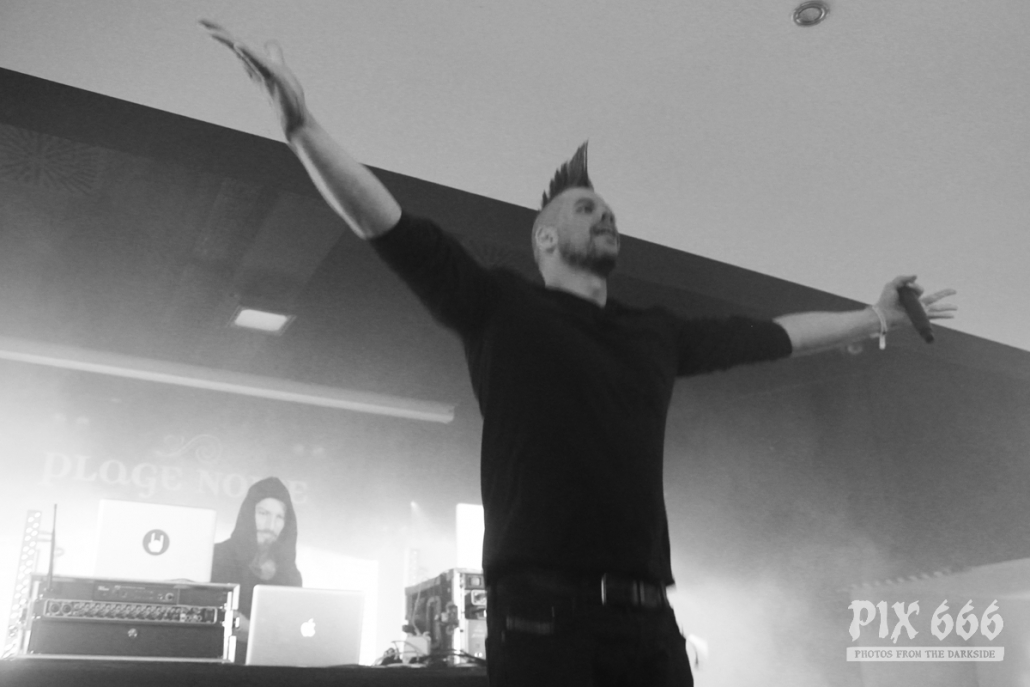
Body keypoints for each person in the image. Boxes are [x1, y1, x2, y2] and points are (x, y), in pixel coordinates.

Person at [201, 23, 956, 686]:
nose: (605, 216)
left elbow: (774, 335)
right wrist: (302, 128)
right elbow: (390, 226)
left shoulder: (654, 332)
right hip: (542, 620)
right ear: (546, 237)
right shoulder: (500, 305)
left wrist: (874, 316)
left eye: (609, 211)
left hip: (650, 621)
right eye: (586, 208)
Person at [211, 476, 302, 661]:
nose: (270, 526)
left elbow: (291, 633)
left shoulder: (290, 575)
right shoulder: (217, 556)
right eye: (263, 513)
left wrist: (253, 633)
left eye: (279, 517)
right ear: (248, 514)